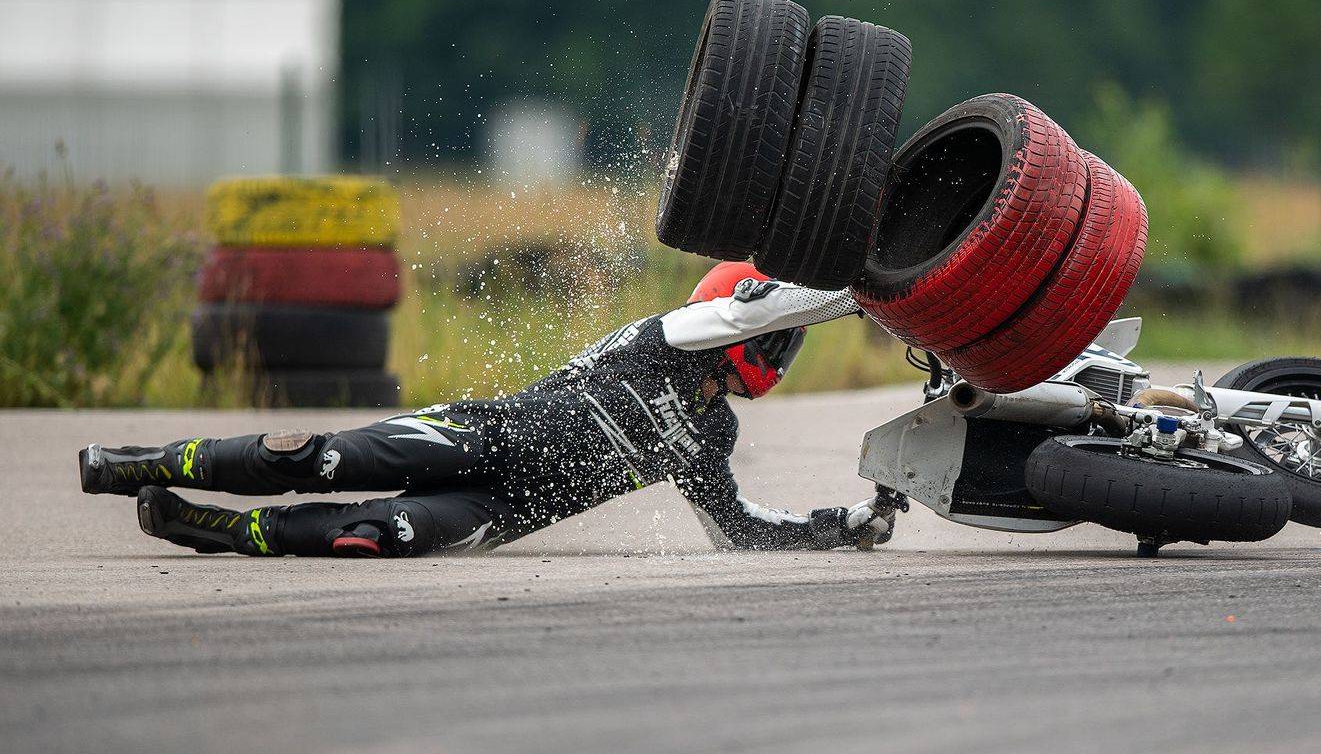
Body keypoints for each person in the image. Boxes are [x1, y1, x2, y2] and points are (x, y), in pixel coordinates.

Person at [79, 262, 902, 557]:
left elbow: (739, 532)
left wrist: (841, 526)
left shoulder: (712, 434)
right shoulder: (674, 334)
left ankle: (213, 529)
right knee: (313, 458)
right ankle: (133, 466)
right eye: (778, 337)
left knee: (372, 536)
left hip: (500, 512)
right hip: (480, 435)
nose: (778, 353)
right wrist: (869, 291)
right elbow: (762, 308)